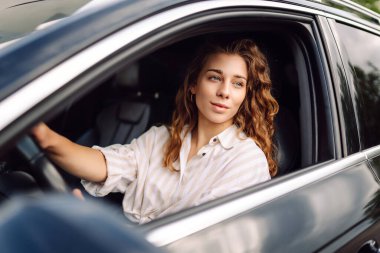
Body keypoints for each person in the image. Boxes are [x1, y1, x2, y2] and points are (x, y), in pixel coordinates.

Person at [31, 38, 279, 224]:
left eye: (238, 84)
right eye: (214, 78)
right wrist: (45, 138)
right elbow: (107, 165)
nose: (225, 91)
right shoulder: (161, 137)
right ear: (194, 85)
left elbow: (197, 235)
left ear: (245, 94)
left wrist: (98, 231)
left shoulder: (246, 160)